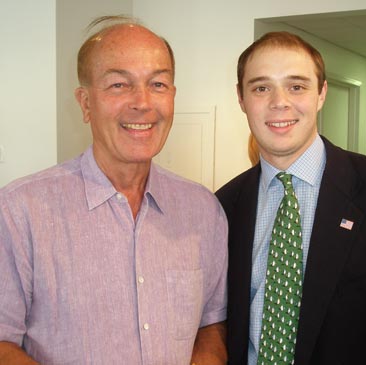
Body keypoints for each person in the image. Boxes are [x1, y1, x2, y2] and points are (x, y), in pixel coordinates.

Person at [0, 16, 227, 365]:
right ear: (85, 102)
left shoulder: (203, 209)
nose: (142, 102)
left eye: (158, 84)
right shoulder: (20, 210)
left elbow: (212, 324)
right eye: (119, 85)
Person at [216, 31, 366, 365]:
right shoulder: (222, 206)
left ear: (321, 93)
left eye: (297, 86)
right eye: (261, 87)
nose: (279, 101)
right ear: (241, 98)